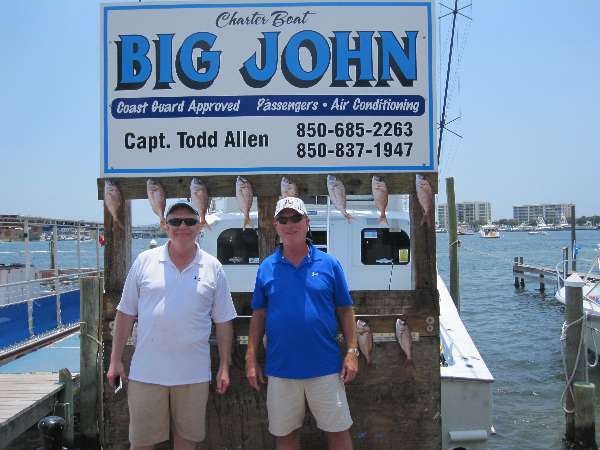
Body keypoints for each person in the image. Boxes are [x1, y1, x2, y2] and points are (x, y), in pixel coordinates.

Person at [107, 200, 237, 450]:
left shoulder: (214, 267)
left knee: (187, 444)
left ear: (199, 225)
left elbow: (223, 321)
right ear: (165, 225)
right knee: (141, 444)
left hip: (194, 375)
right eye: (175, 221)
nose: (182, 226)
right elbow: (125, 314)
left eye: (189, 221)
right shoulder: (144, 261)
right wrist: (115, 360)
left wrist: (224, 366)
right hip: (146, 374)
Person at [246, 197, 358, 450]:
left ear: (307, 223)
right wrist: (250, 358)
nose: (290, 224)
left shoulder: (329, 264)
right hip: (280, 369)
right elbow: (259, 315)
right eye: (283, 219)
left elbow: (346, 310)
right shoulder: (266, 268)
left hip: (327, 368)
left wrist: (352, 352)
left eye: (296, 218)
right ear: (276, 226)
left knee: (339, 432)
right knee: (285, 436)